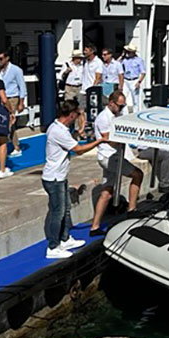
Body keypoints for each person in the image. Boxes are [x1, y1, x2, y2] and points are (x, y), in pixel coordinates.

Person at [42, 100, 107, 260]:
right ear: (71, 115)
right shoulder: (59, 132)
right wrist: (99, 141)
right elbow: (78, 150)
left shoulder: (59, 127)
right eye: (77, 115)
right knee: (57, 212)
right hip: (54, 178)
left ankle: (64, 239)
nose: (78, 117)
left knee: (66, 209)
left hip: (60, 176)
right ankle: (53, 246)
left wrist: (78, 132)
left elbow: (70, 142)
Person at [89, 90, 142, 235]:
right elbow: (110, 140)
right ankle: (131, 209)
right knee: (138, 174)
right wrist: (126, 137)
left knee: (107, 192)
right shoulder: (103, 118)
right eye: (119, 106)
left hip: (113, 156)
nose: (121, 108)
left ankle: (94, 226)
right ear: (111, 103)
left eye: (123, 106)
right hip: (109, 157)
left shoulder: (117, 114)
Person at [0, 49, 26, 157]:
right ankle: (3, 149)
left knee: (9, 124)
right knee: (1, 124)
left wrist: (21, 103)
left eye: (1, 58)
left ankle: (16, 147)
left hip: (12, 98)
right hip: (1, 98)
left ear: (7, 58)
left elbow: (22, 87)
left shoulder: (16, 70)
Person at [80, 44, 104, 131]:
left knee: (93, 111)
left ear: (92, 51)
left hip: (91, 91)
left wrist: (92, 90)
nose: (84, 52)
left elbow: (98, 78)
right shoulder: (85, 61)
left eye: (86, 50)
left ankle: (95, 129)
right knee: (81, 110)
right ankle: (82, 129)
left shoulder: (98, 62)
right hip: (83, 90)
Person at [121, 42, 145, 109]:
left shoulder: (139, 60)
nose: (128, 53)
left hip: (134, 80)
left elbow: (143, 72)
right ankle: (124, 112)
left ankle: (135, 113)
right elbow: (117, 63)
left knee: (135, 100)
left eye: (129, 51)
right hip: (126, 80)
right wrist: (122, 55)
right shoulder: (125, 60)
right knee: (123, 97)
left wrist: (139, 82)